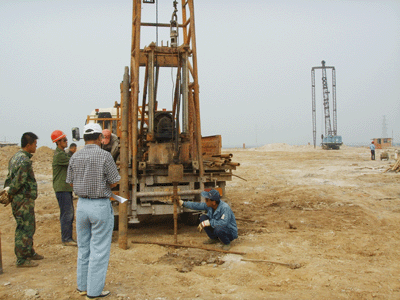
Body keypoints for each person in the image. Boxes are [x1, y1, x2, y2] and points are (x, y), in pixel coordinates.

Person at [66, 123, 120, 299]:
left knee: (84, 247)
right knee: (99, 249)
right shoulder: (105, 156)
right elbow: (114, 183)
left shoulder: (74, 156)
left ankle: (82, 286)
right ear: (99, 138)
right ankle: (94, 292)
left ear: (84, 138)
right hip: (99, 205)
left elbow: (71, 183)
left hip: (81, 205)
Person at [4, 132, 44, 267]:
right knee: (24, 228)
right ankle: (21, 259)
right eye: (35, 144)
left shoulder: (15, 157)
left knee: (29, 226)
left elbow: (9, 179)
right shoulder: (24, 161)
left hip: (20, 199)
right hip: (23, 200)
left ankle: (29, 251)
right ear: (29, 145)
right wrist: (11, 193)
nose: (36, 147)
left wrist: (9, 193)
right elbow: (18, 182)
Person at [51, 130, 77, 246]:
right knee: (67, 213)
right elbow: (74, 162)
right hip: (62, 188)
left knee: (68, 213)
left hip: (64, 188)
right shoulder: (59, 156)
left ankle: (67, 237)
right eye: (64, 140)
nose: (67, 142)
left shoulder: (63, 154)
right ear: (58, 142)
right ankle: (66, 238)